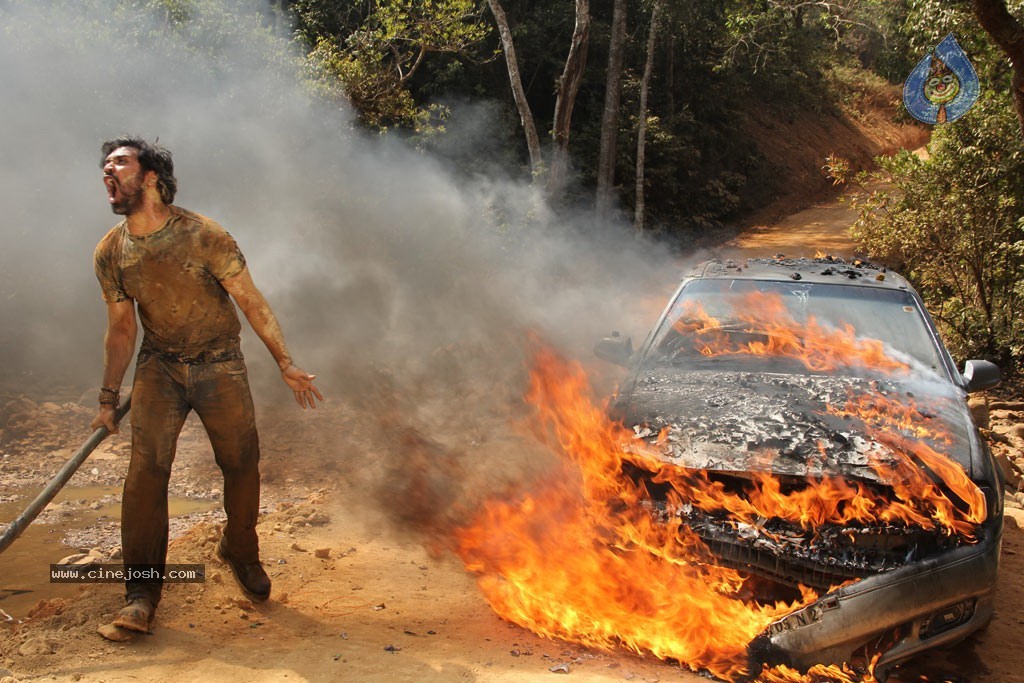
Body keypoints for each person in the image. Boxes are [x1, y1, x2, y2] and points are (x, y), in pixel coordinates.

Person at [90, 136, 322, 637]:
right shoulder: (111, 252)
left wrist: (285, 362)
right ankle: (141, 593)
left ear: (150, 176)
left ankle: (239, 549)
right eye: (105, 164)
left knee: (240, 463)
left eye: (120, 162)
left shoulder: (203, 235)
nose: (108, 170)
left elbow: (250, 300)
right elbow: (122, 330)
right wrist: (109, 397)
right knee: (145, 475)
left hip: (220, 364)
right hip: (159, 368)